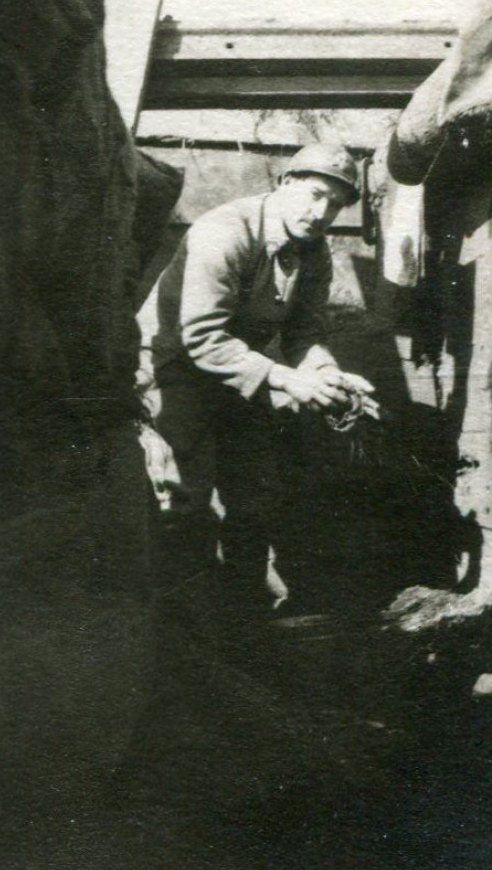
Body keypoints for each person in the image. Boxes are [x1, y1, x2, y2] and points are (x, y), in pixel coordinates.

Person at [148, 142, 376, 613]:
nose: (321, 213)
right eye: (314, 195)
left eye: (335, 205)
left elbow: (305, 332)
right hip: (173, 368)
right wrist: (289, 381)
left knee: (254, 492)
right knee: (184, 499)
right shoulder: (225, 230)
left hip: (241, 373)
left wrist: (328, 375)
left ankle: (244, 616)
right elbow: (202, 337)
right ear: (284, 183)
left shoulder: (314, 253)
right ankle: (175, 624)